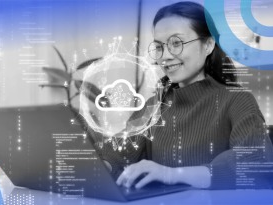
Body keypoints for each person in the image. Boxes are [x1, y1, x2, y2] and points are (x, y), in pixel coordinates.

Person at [99, 1, 273, 190]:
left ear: (208, 44)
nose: (165, 56)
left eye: (176, 43)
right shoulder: (153, 107)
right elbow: (117, 154)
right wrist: (97, 167)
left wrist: (172, 174)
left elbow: (255, 161)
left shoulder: (237, 100)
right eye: (159, 47)